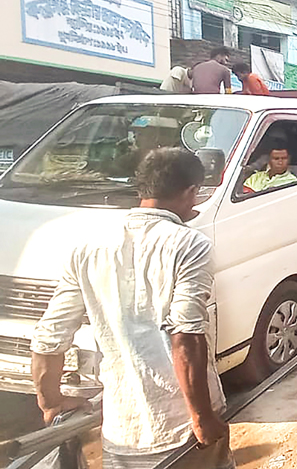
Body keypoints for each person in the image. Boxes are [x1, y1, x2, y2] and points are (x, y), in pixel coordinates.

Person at [31, 148, 234, 469]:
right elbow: (186, 336)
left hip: (121, 427)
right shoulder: (189, 244)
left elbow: (48, 338)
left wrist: (50, 401)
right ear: (192, 192)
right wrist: (202, 418)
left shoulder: (87, 248)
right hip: (181, 429)